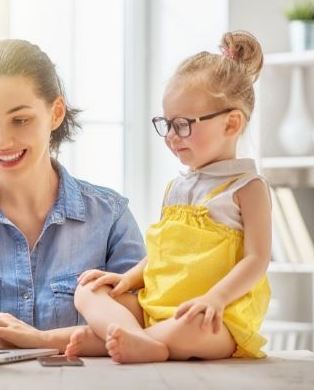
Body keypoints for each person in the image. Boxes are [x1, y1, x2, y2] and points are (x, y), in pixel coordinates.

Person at [0, 39, 145, 353]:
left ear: (55, 113)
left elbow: (141, 325)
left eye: (20, 120)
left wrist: (40, 340)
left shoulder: (110, 218)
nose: (1, 141)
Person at [65, 31, 271, 363]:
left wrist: (215, 299)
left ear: (231, 123)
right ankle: (137, 338)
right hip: (159, 305)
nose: (172, 137)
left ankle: (122, 339)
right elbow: (165, 253)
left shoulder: (246, 187)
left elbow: (256, 260)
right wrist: (128, 277)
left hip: (214, 318)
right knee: (89, 290)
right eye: (167, 124)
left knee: (191, 329)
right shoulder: (176, 187)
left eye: (183, 125)